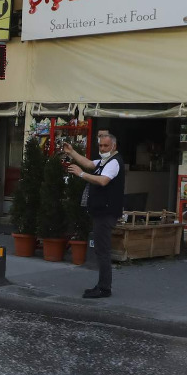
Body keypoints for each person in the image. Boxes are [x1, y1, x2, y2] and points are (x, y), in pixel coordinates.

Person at [65, 128, 125, 299]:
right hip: (101, 211)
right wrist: (72, 152)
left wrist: (81, 174)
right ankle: (102, 285)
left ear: (113, 146)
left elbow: (103, 181)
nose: (102, 148)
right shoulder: (105, 161)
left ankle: (104, 288)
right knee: (101, 249)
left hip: (106, 212)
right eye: (100, 145)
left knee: (103, 250)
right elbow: (90, 163)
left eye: (106, 146)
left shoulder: (114, 162)